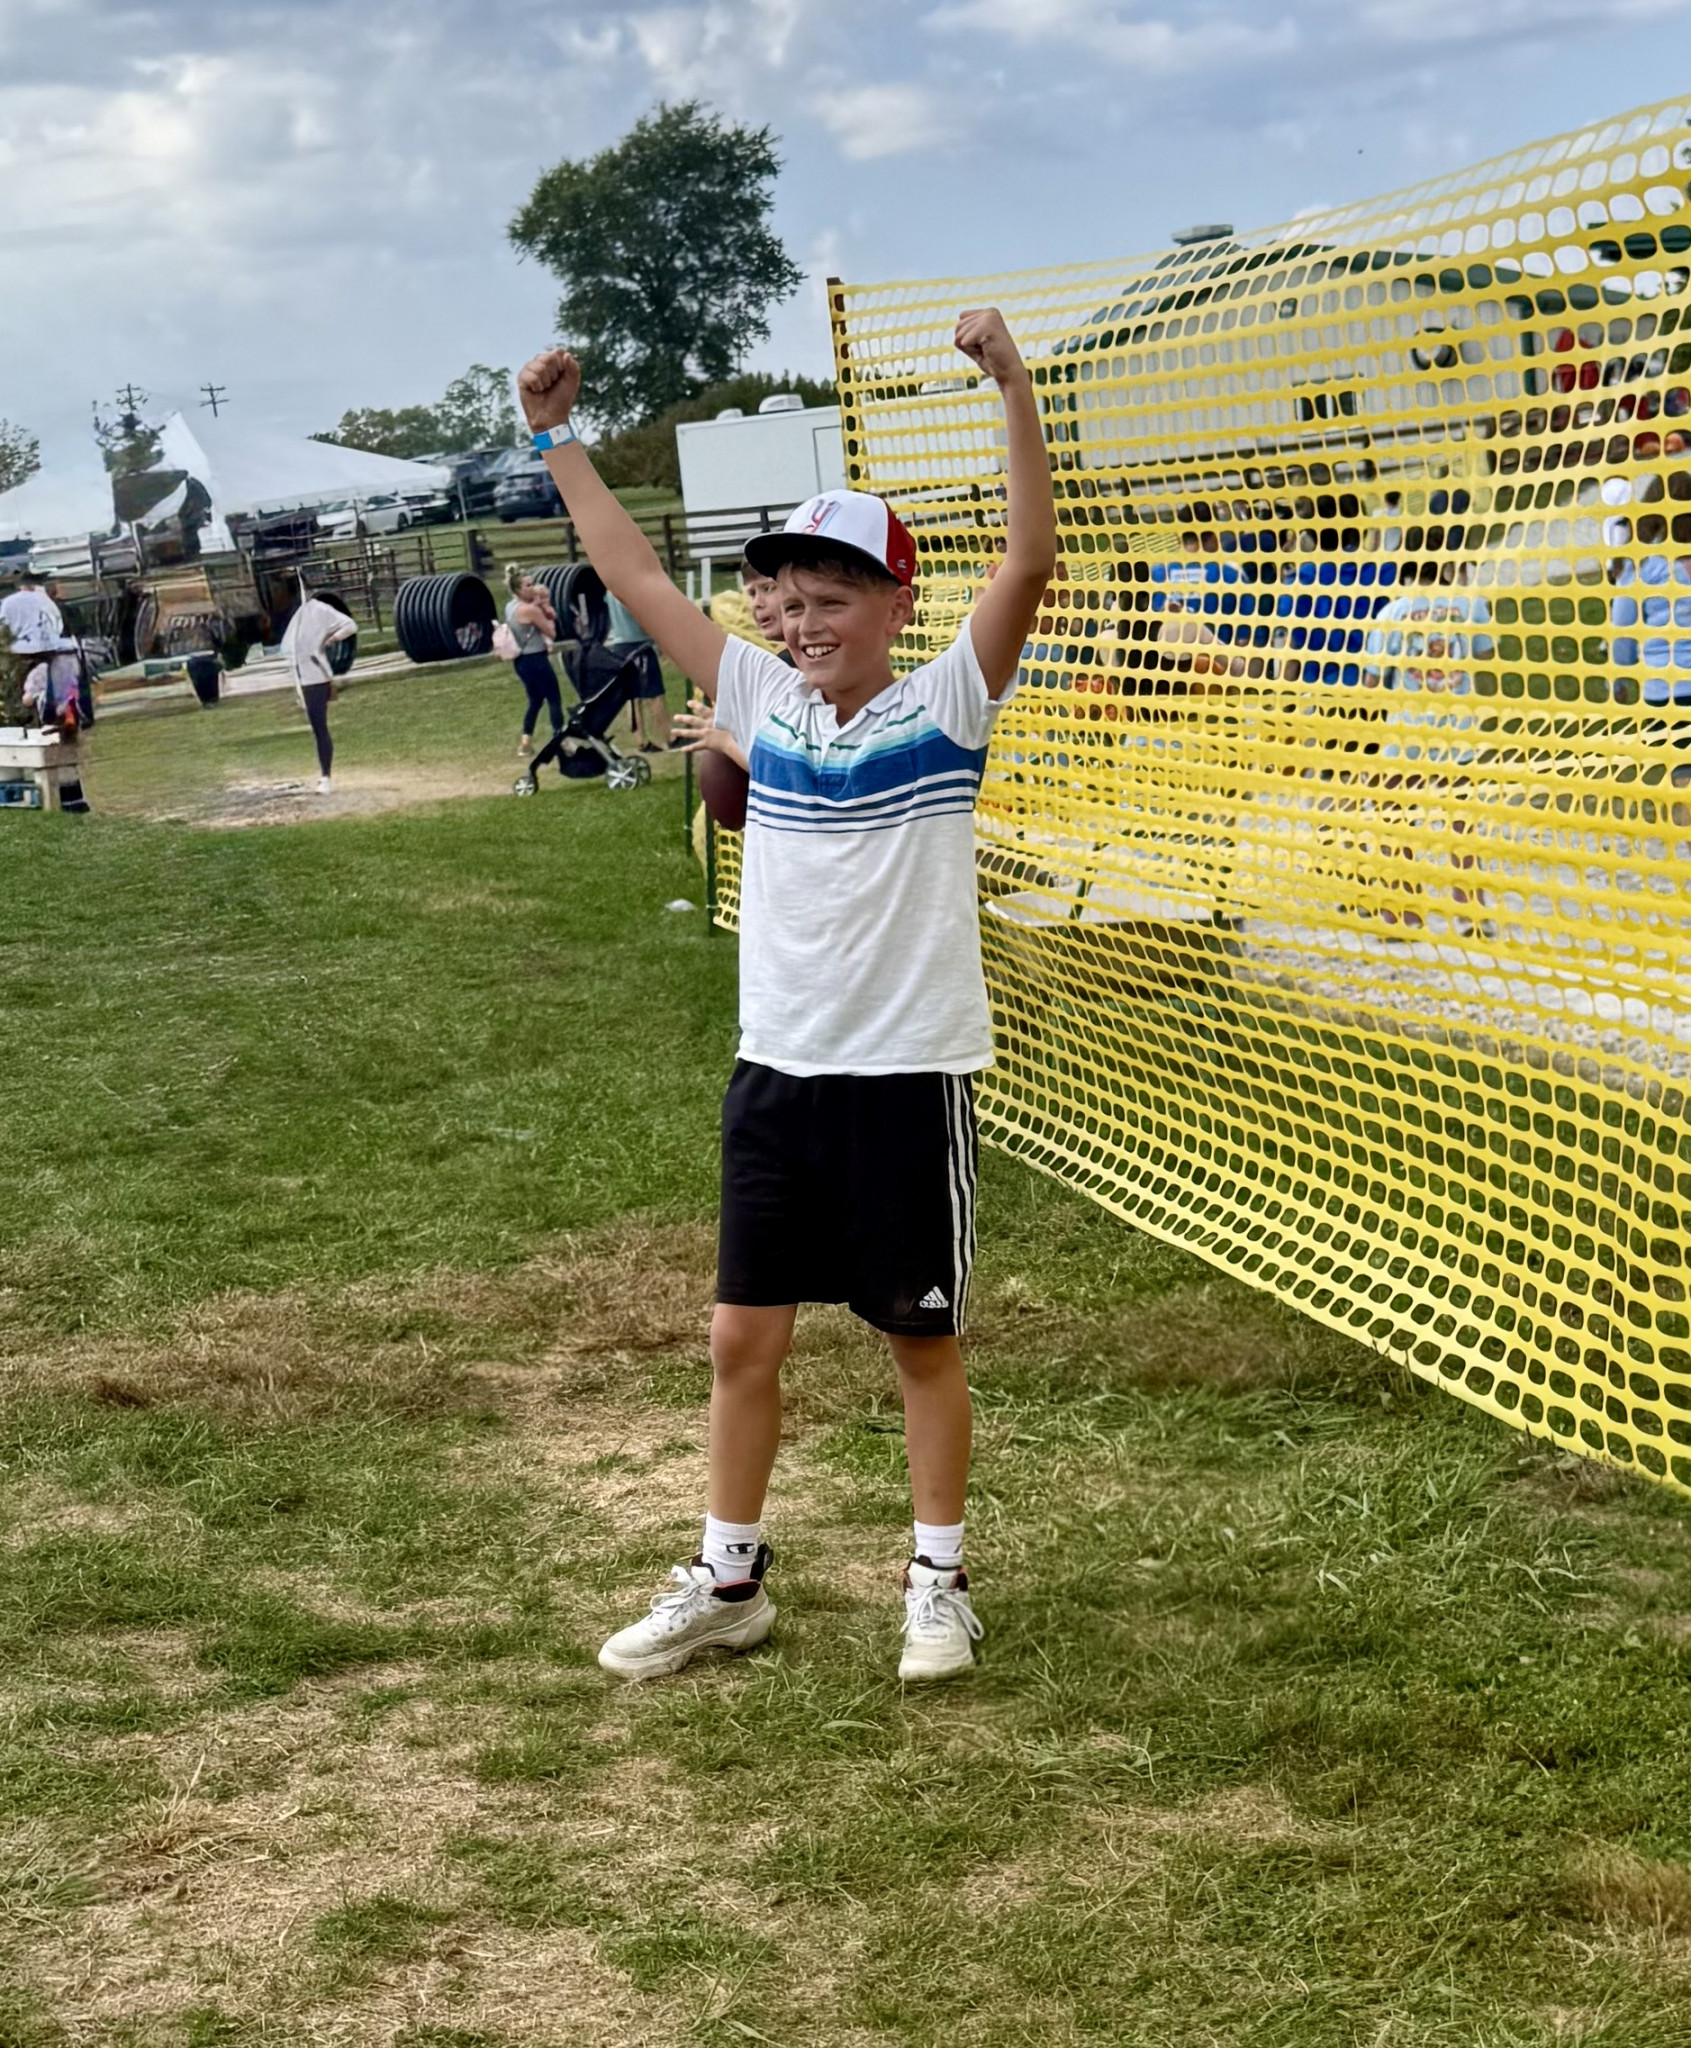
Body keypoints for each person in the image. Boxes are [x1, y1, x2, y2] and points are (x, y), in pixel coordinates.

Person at [517, 306, 1055, 1684]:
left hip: (904, 1077)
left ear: (895, 607)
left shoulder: (947, 704)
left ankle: (935, 1583)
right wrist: (556, 439)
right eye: (785, 599)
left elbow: (1025, 560)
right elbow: (632, 572)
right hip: (777, 1074)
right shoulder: (756, 695)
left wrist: (1010, 386)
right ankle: (728, 1577)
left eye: (832, 599)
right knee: (737, 1338)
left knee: (917, 1341)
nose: (801, 621)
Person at [280, 583, 357, 795]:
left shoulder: (318, 609)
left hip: (316, 676)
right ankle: (324, 775)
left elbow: (350, 625)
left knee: (319, 726)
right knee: (315, 725)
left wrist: (332, 639)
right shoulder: (292, 615)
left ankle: (326, 777)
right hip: (300, 676)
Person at [503, 566, 563, 759]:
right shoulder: (529, 610)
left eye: (532, 583)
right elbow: (551, 632)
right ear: (518, 590)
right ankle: (560, 740)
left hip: (521, 661)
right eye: (528, 585)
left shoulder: (510, 607)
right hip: (536, 658)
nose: (532, 588)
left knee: (535, 700)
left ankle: (526, 742)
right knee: (554, 698)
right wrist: (545, 608)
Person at [603, 588, 671, 750]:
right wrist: (658, 639)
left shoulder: (610, 591)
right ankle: (668, 737)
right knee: (655, 694)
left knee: (632, 697)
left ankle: (641, 739)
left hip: (620, 646)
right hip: (640, 645)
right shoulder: (629, 591)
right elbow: (642, 618)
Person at [0, 568, 65, 725]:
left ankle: (24, 715)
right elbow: (58, 625)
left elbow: (3, 628)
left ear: (21, 585)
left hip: (21, 652)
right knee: (49, 682)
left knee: (19, 686)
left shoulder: (9, 602)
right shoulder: (46, 601)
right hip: (49, 649)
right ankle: (52, 712)